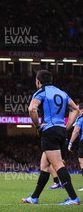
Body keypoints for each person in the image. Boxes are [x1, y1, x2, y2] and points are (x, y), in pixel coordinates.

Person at [22, 70, 80, 205]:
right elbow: (75, 109)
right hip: (60, 130)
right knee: (44, 165)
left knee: (58, 164)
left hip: (49, 131)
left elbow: (32, 109)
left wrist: (37, 126)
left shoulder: (41, 92)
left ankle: (73, 198)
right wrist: (67, 126)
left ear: (38, 81)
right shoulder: (62, 93)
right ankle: (34, 197)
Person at [67, 103, 83, 191]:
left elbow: (76, 131)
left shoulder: (80, 119)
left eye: (78, 109)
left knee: (82, 162)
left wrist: (70, 143)